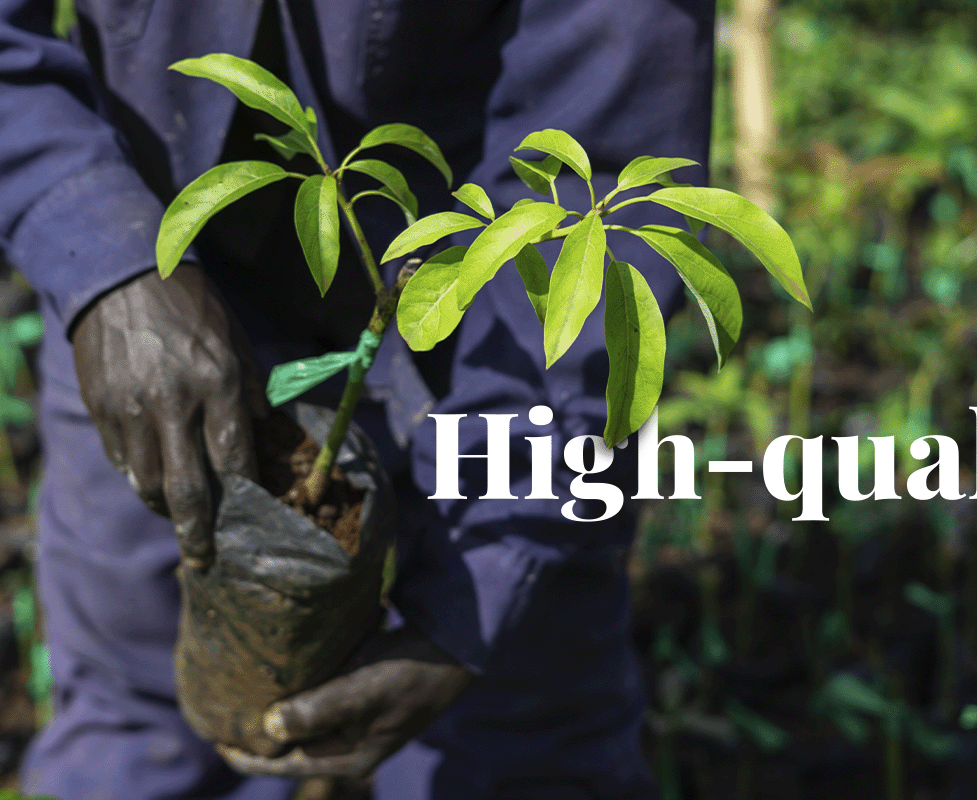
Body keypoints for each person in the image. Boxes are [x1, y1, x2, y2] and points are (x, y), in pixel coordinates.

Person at [0, 0, 716, 797]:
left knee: (514, 746)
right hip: (143, 310)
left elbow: (610, 146)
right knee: (139, 743)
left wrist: (484, 575)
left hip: (490, 322)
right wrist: (104, 255)